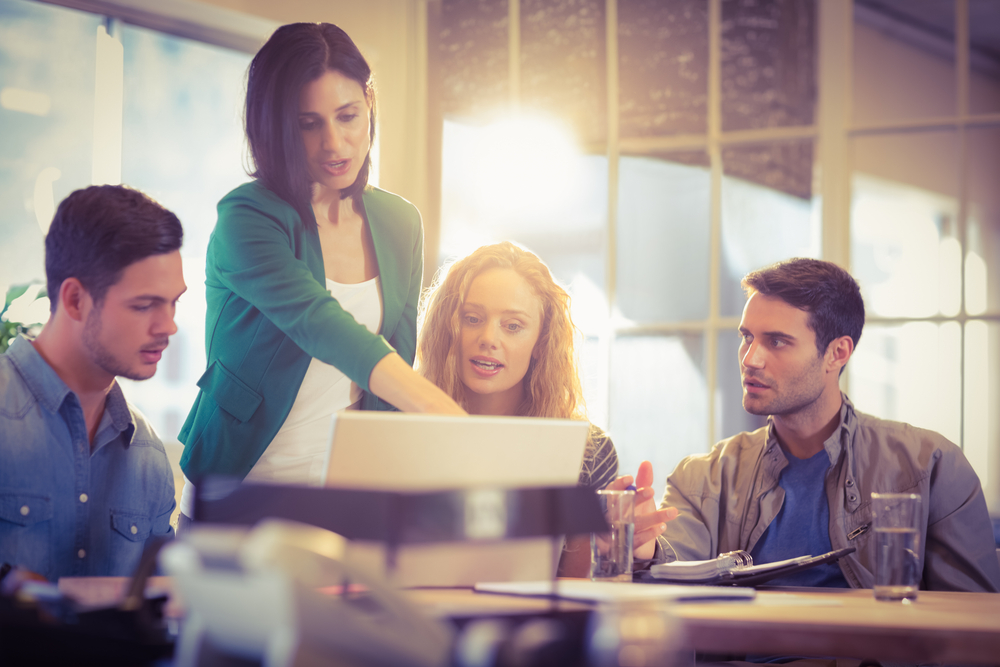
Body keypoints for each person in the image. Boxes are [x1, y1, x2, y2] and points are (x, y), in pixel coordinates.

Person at [178, 23, 463, 517]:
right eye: (309, 123)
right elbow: (320, 323)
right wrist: (447, 417)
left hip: (348, 499)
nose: (335, 143)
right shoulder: (247, 218)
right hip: (240, 492)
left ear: (370, 107)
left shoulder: (400, 222)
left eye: (348, 116)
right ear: (276, 127)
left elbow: (398, 351)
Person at [652, 257, 1000, 592]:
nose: (750, 359)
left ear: (837, 353)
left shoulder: (931, 466)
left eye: (776, 341)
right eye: (747, 337)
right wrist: (642, 549)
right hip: (734, 655)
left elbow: (971, 629)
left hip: (865, 655)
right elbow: (668, 568)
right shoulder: (702, 477)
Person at [417, 242, 675, 575]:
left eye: (512, 326)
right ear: (448, 326)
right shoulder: (402, 428)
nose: (488, 338)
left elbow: (587, 589)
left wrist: (637, 552)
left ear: (541, 342)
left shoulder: (588, 450)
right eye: (472, 318)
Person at [0, 185, 183, 588]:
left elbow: (155, 609)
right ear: (76, 300)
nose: (168, 326)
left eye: (173, 303)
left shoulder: (148, 457)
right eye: (144, 305)